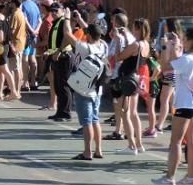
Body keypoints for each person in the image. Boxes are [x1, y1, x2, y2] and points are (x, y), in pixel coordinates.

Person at [152, 27, 193, 185]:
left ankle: (170, 177)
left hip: (184, 105)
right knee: (190, 143)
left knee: (176, 141)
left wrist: (165, 47)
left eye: (184, 39)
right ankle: (190, 177)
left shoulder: (187, 59)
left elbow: (164, 66)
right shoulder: (187, 59)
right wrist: (176, 45)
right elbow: (178, 60)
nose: (183, 41)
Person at [63, 17, 107, 161]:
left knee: (86, 121)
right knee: (95, 119)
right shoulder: (103, 46)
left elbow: (67, 34)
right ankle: (98, 149)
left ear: (88, 35)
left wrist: (67, 18)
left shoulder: (85, 47)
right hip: (97, 89)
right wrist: (82, 21)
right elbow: (92, 31)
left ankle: (87, 152)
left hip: (84, 88)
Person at [114, 18, 151, 155]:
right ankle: (139, 145)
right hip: (136, 79)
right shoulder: (145, 44)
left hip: (128, 79)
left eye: (134, 28)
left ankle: (131, 146)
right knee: (134, 113)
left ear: (138, 29)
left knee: (125, 113)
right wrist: (125, 35)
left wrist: (118, 40)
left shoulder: (136, 45)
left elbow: (119, 57)